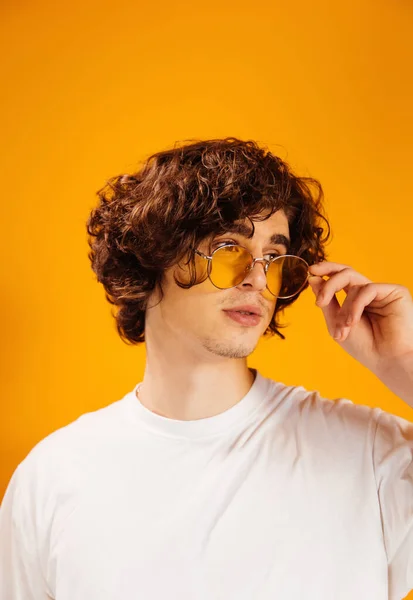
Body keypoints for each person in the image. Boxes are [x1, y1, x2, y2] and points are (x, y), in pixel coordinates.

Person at [1, 137, 412, 600]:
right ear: (151, 260)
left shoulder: (373, 458)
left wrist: (404, 363)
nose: (256, 278)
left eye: (274, 257)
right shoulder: (53, 478)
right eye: (228, 246)